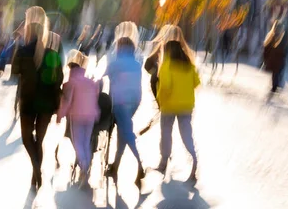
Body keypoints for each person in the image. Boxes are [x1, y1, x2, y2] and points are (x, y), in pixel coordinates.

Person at [12, 6, 63, 191]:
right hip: (47, 101)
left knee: (27, 139)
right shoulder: (54, 47)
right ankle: (36, 176)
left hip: (28, 100)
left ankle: (37, 172)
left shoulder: (24, 50)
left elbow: (14, 71)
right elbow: (59, 76)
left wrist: (18, 45)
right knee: (39, 141)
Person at [155, 28, 200, 184]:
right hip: (186, 106)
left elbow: (164, 88)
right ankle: (194, 161)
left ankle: (163, 163)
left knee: (166, 134)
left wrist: (160, 102)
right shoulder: (188, 64)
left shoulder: (167, 65)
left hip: (169, 106)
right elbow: (196, 83)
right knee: (187, 135)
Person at [104, 21, 145, 190]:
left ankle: (139, 164)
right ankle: (115, 166)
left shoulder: (115, 63)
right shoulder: (136, 64)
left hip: (119, 101)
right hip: (134, 101)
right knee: (123, 132)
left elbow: (106, 76)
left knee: (126, 134)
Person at [57, 50, 100, 189]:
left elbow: (67, 101)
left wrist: (60, 114)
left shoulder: (70, 83)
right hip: (91, 117)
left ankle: (84, 167)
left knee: (77, 143)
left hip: (77, 116)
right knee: (86, 142)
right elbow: (96, 98)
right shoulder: (90, 82)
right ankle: (85, 169)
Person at [263, 20, 287, 98]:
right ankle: (275, 86)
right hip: (276, 59)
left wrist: (265, 58)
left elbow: (266, 48)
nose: (278, 29)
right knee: (276, 73)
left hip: (276, 59)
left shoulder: (273, 36)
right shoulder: (277, 36)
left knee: (276, 73)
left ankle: (276, 86)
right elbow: (267, 48)